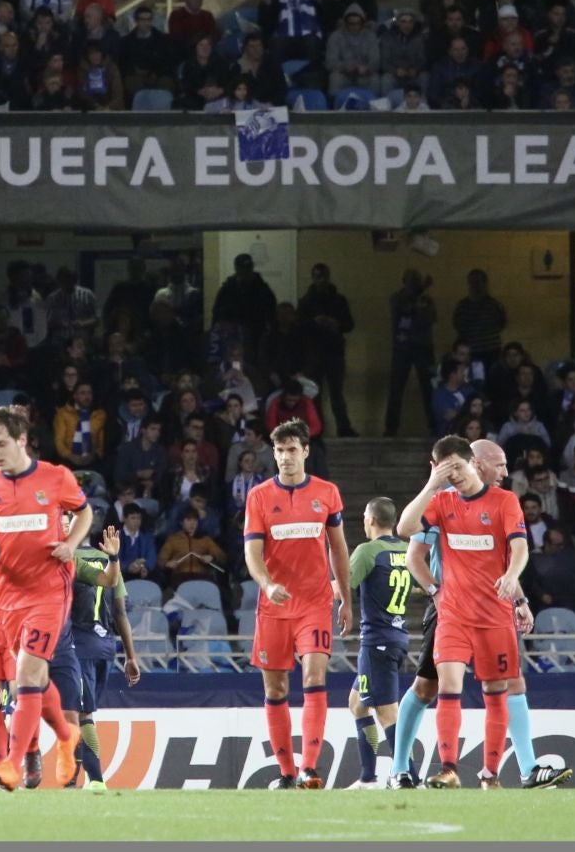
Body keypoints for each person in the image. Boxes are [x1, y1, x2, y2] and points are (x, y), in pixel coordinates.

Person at [389, 438, 571, 790]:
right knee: (431, 686)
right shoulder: (440, 501)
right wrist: (435, 591)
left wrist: (519, 598)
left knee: (507, 684)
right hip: (448, 607)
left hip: (494, 608)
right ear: (481, 463)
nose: (505, 472)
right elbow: (411, 548)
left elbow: (506, 556)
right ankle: (406, 767)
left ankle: (512, 770)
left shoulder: (503, 502)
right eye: (500, 465)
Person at [0, 407, 90, 790]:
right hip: (9, 593)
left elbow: (84, 513)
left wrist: (70, 545)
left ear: (21, 440)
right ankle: (67, 737)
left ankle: (13, 764)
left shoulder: (55, 477)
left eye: (0, 443)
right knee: (34, 677)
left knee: (26, 674)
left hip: (50, 588)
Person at [243, 418, 351, 789]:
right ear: (272, 454)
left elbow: (338, 548)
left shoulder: (327, 493)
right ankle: (286, 773)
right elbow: (252, 551)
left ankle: (309, 767)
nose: (285, 457)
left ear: (305, 451)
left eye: (292, 450)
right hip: (274, 607)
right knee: (275, 690)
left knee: (314, 676)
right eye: (279, 450)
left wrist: (346, 599)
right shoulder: (259, 496)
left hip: (315, 604)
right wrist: (267, 584)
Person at [345, 497, 409, 788]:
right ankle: (368, 778)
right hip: (397, 637)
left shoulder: (367, 551)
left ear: (369, 520)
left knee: (387, 714)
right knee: (357, 704)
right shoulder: (406, 550)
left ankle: (408, 775)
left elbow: (343, 586)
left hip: (376, 642)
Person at [69, 526, 137, 790]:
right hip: (106, 647)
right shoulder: (110, 561)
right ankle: (73, 780)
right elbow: (120, 613)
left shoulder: (65, 559)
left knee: (81, 713)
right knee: (77, 712)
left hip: (78, 644)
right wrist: (131, 656)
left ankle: (96, 779)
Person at [297, 262, 357, 437]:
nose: (320, 280)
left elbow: (349, 324)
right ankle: (317, 428)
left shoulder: (338, 300)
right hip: (313, 353)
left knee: (336, 393)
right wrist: (314, 322)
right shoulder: (306, 301)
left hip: (334, 351)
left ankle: (343, 427)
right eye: (317, 276)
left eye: (322, 276)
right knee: (314, 393)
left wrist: (335, 324)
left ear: (328, 277)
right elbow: (299, 325)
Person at [385, 269, 438, 437]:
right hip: (402, 348)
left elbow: (431, 318)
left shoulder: (425, 299)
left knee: (429, 389)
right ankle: (391, 428)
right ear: (404, 281)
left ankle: (433, 426)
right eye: (411, 281)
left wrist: (422, 299)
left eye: (417, 280)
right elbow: (405, 308)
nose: (414, 284)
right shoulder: (397, 297)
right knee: (396, 389)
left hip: (423, 347)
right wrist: (421, 292)